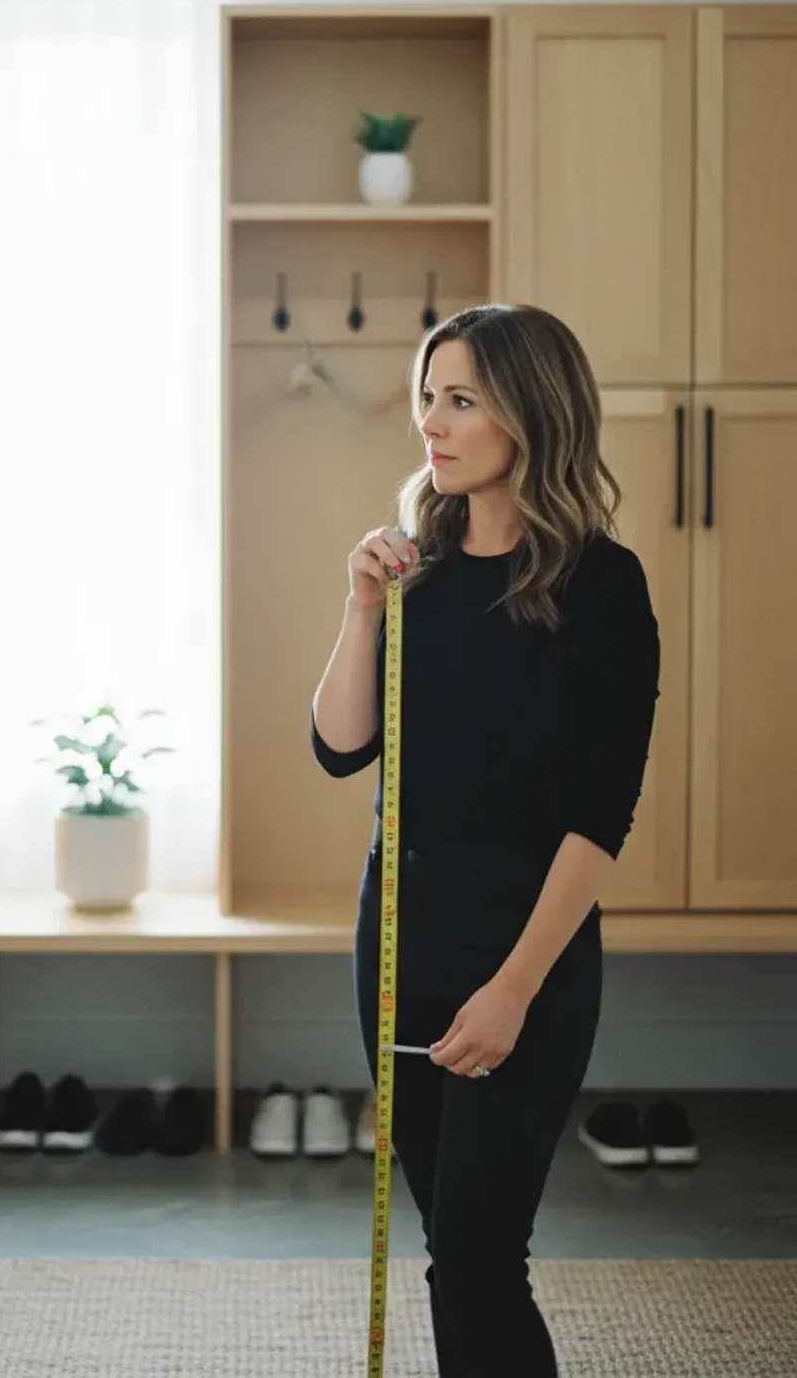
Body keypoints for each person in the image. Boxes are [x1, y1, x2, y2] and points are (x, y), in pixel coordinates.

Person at [310, 302, 660, 1378]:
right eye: (428, 397)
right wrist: (363, 609)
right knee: (445, 1248)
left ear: (531, 414)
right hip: (399, 935)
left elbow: (601, 816)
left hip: (527, 943)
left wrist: (512, 989)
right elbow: (337, 747)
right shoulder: (417, 569)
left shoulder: (602, 585)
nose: (432, 423)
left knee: (478, 1255)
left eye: (460, 400)